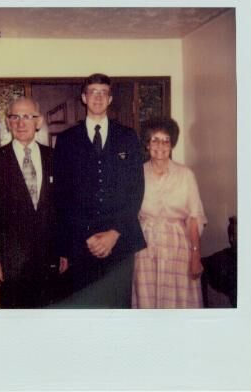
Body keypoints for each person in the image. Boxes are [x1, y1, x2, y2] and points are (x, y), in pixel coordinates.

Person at [53, 73, 146, 308]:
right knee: (86, 307)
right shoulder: (66, 140)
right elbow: (62, 195)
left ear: (110, 98)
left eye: (103, 92)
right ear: (84, 97)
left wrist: (114, 233)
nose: (98, 97)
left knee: (117, 305)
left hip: (121, 239)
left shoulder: (127, 136)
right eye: (93, 92)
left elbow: (136, 190)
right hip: (81, 242)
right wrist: (87, 236)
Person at [0, 97, 66, 308]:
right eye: (14, 117)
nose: (20, 122)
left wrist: (65, 250)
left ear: (39, 121)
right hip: (11, 263)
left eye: (27, 116)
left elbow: (63, 209)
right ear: (7, 123)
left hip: (50, 259)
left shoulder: (55, 157)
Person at [132, 117, 207, 309]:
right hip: (145, 248)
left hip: (179, 248)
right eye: (154, 139)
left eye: (165, 140)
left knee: (180, 303)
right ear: (147, 145)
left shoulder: (185, 175)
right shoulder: (136, 174)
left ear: (172, 144)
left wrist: (196, 257)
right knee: (147, 303)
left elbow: (193, 217)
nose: (160, 145)